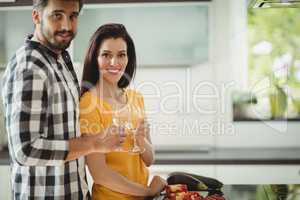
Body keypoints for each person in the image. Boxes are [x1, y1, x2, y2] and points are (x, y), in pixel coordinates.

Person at [1, 1, 125, 199]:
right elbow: (25, 150)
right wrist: (93, 144)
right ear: (37, 16)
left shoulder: (60, 59)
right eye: (57, 15)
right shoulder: (29, 67)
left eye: (73, 16)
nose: (66, 26)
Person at [79, 23, 167, 200]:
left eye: (121, 55)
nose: (114, 63)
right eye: (106, 55)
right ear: (94, 58)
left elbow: (149, 159)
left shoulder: (136, 98)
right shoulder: (89, 104)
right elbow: (100, 174)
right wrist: (148, 192)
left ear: (129, 59)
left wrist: (141, 140)